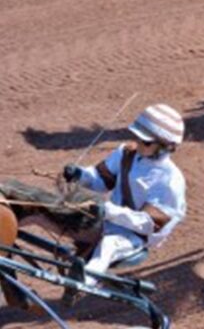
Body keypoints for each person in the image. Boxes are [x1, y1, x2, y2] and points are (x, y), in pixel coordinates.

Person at [62, 104, 187, 289]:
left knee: (108, 245)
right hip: (107, 220)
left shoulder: (170, 180)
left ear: (165, 147)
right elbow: (101, 180)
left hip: (135, 236)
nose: (138, 143)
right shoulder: (126, 153)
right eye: (137, 137)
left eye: (145, 142)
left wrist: (109, 211)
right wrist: (80, 175)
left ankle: (84, 282)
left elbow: (148, 224)